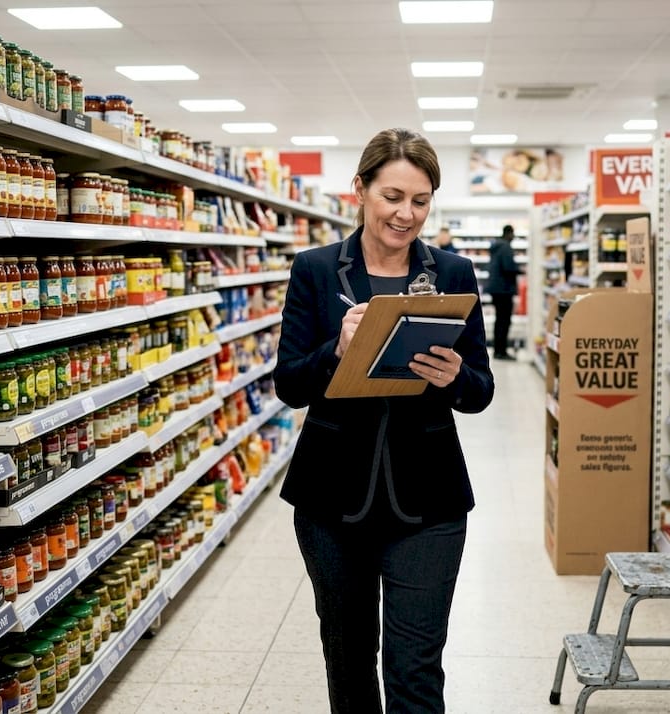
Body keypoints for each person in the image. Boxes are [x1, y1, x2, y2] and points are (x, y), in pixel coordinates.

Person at [273, 127, 495, 714]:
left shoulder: (453, 273)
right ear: (361, 190)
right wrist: (335, 351)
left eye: (420, 201)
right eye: (392, 196)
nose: (406, 214)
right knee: (347, 663)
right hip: (331, 497)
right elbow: (290, 385)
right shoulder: (317, 270)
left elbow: (481, 392)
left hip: (429, 498)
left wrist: (454, 378)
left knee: (416, 666)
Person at [486, 224, 520, 360]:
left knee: (499, 320)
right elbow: (508, 267)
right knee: (504, 321)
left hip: (496, 289)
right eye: (512, 234)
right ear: (509, 233)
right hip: (504, 289)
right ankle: (502, 351)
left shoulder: (496, 246)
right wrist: (520, 270)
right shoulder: (505, 247)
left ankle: (498, 350)